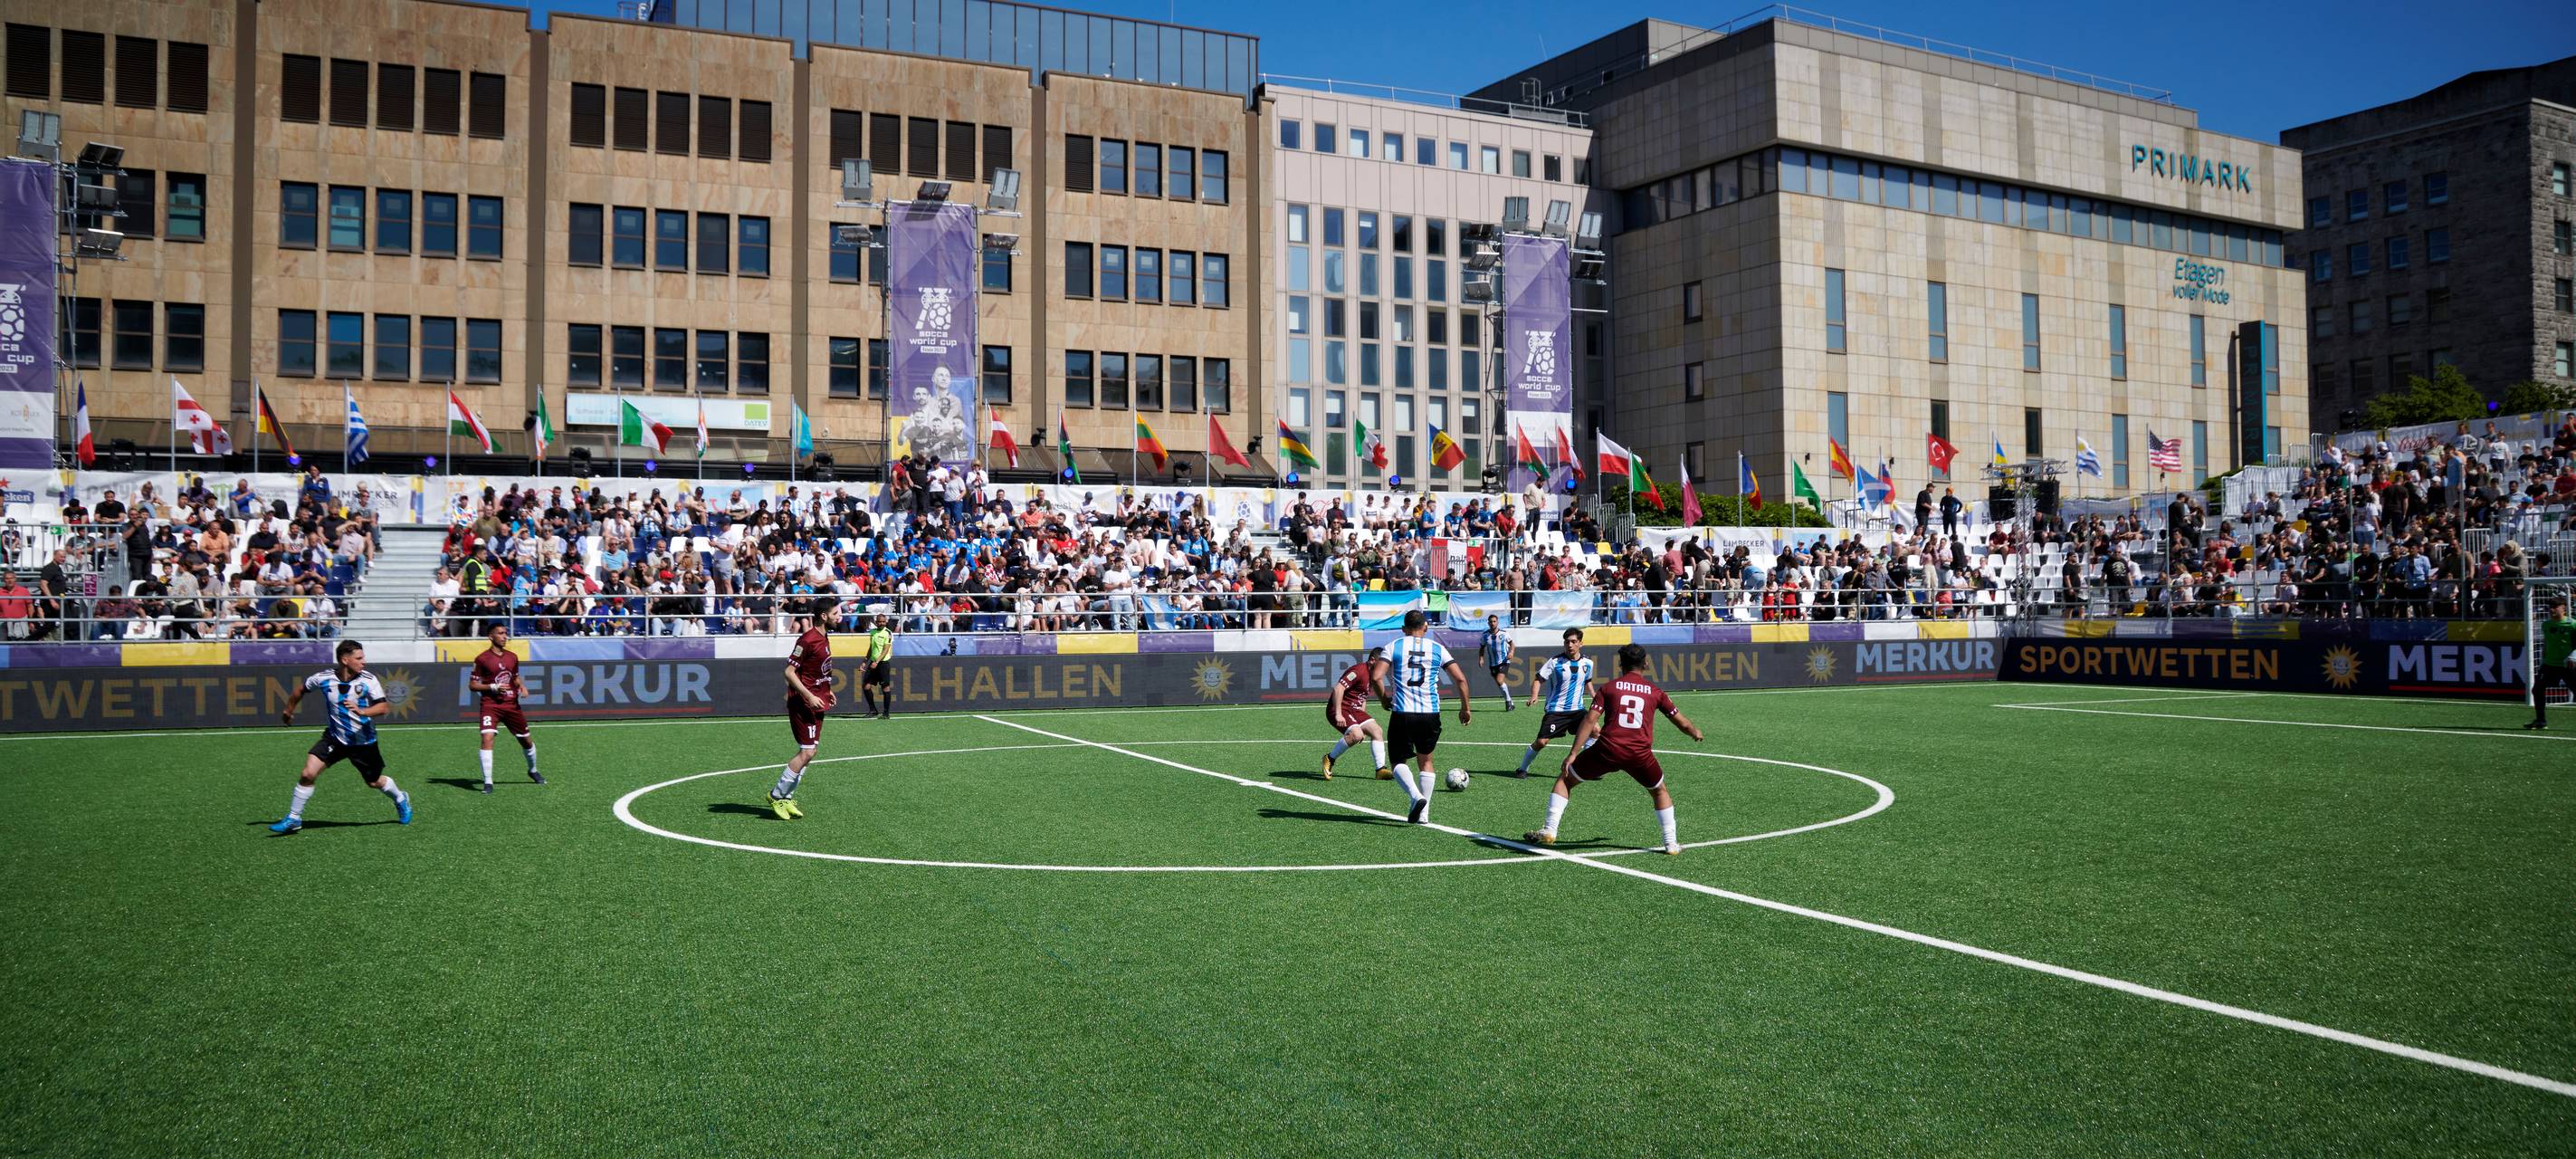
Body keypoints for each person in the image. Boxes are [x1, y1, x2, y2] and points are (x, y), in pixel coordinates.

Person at [1523, 643, 1704, 856]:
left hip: (1607, 750)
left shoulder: (1609, 688)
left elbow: (1590, 720)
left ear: (1621, 664)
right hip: (1639, 754)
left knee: (1565, 780)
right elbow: (1681, 722)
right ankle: (1671, 844)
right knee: (1659, 791)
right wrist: (1695, 732)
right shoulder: (1656, 692)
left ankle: (1550, 829)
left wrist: (1573, 753)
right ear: (1646, 663)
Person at [268, 640, 412, 834]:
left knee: (374, 782)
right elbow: (300, 690)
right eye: (359, 658)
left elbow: (383, 707)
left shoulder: (368, 680)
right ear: (345, 660)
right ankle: (294, 818)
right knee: (307, 774)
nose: (364, 662)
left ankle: (401, 798)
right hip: (335, 738)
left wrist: (362, 711)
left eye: (363, 657)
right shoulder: (324, 678)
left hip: (363, 742)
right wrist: (288, 710)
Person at [1369, 609, 1472, 825]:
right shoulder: (1438, 648)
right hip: (1430, 713)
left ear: (1404, 629)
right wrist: (1465, 708)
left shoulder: (1394, 646)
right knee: (1426, 762)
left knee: (1398, 761)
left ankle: (1416, 797)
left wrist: (1383, 699)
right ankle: (1424, 815)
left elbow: (1376, 676)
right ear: (1426, 626)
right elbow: (1461, 680)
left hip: (1403, 712)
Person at [766, 598, 838, 819]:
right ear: (824, 616)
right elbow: (789, 672)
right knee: (806, 751)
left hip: (818, 700)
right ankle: (776, 795)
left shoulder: (824, 637)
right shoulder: (807, 640)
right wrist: (808, 695)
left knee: (811, 752)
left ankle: (786, 797)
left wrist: (827, 691)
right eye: (836, 614)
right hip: (803, 702)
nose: (839, 617)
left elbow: (818, 671)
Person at [468, 623, 542, 792]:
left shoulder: (512, 657)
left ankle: (533, 770)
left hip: (511, 705)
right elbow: (472, 685)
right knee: (487, 738)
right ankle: (488, 782)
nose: (504, 636)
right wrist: (492, 687)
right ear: (491, 637)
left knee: (526, 740)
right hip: (490, 705)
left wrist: (522, 686)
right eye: (500, 633)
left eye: (505, 633)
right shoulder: (482, 659)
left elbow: (514, 677)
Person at [1514, 627, 1598, 779]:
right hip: (1556, 710)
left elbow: (1588, 681)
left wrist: (1594, 695)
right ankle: (1522, 768)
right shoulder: (1554, 662)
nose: (1570, 645)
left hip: (1577, 710)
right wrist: (1534, 695)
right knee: (1541, 742)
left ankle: (1584, 767)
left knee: (1596, 731)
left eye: (1573, 641)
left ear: (1581, 643)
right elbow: (1538, 679)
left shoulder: (1588, 663)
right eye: (1567, 642)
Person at [1320, 646, 1389, 781]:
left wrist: (1360, 721)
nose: (1384, 666)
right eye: (1382, 663)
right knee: (1356, 735)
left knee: (1377, 731)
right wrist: (1338, 714)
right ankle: (1329, 759)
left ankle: (1380, 770)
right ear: (1373, 661)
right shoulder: (1358, 671)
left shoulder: (1374, 676)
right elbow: (1338, 689)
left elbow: (1362, 697)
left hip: (1355, 710)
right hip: (1340, 708)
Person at [2531, 596, 2574, 731]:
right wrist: (2544, 655)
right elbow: (2546, 642)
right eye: (2550, 607)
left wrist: (2573, 657)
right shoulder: (2547, 624)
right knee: (2537, 690)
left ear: (2564, 609)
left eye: (2555, 607)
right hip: (2550, 664)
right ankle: (2540, 721)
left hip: (2568, 665)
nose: (2552, 609)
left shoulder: (2572, 625)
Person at [860, 611, 895, 718]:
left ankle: (886, 713)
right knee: (866, 686)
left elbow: (885, 650)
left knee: (885, 688)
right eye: (879, 622)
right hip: (873, 662)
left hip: (882, 664)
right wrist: (864, 661)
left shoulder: (888, 633)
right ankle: (873, 710)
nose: (881, 623)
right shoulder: (873, 632)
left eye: (883, 622)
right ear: (876, 622)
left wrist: (877, 662)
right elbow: (871, 648)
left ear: (886, 622)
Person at [1478, 613, 1516, 711]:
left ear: (1497, 622)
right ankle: (1511, 702)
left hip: (1504, 661)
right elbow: (1482, 647)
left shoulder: (1504, 633)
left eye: (1494, 621)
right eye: (1491, 622)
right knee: (1499, 684)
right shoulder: (1485, 635)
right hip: (1492, 663)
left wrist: (1511, 652)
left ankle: (1508, 702)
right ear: (1488, 623)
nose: (1492, 623)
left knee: (1500, 681)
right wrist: (1481, 658)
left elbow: (1512, 644)